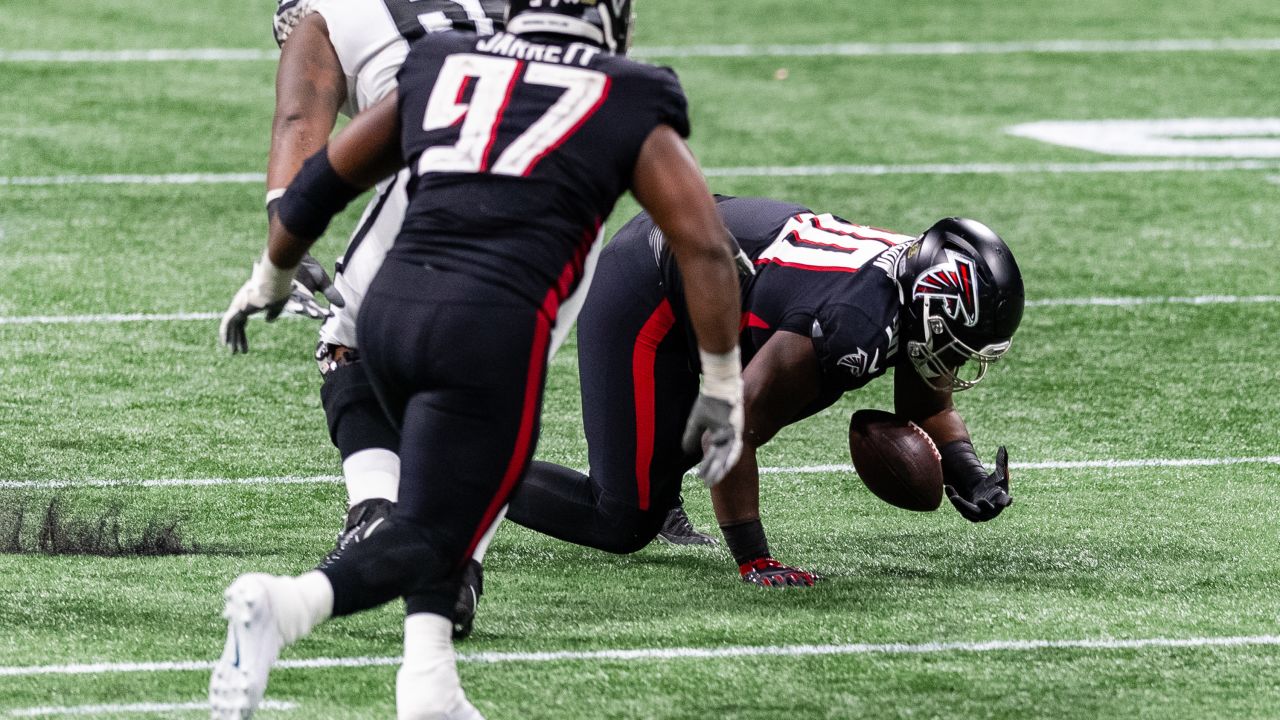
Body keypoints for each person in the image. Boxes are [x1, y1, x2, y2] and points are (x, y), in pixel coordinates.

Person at [210, 2, 745, 718]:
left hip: (396, 298)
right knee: (438, 525)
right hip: (498, 317)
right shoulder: (632, 89)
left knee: (428, 464)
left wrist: (271, 272)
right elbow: (705, 247)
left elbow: (328, 170)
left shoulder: (438, 60)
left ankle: (429, 683)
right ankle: (285, 605)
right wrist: (721, 383)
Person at [504, 196, 1025, 587]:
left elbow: (924, 402)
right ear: (931, 303)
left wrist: (967, 473)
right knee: (618, 519)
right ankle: (456, 476)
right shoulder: (853, 322)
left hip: (719, 276)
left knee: (755, 402)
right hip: (652, 283)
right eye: (957, 340)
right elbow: (729, 424)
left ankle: (657, 479)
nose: (958, 358)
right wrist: (754, 558)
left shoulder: (909, 290)